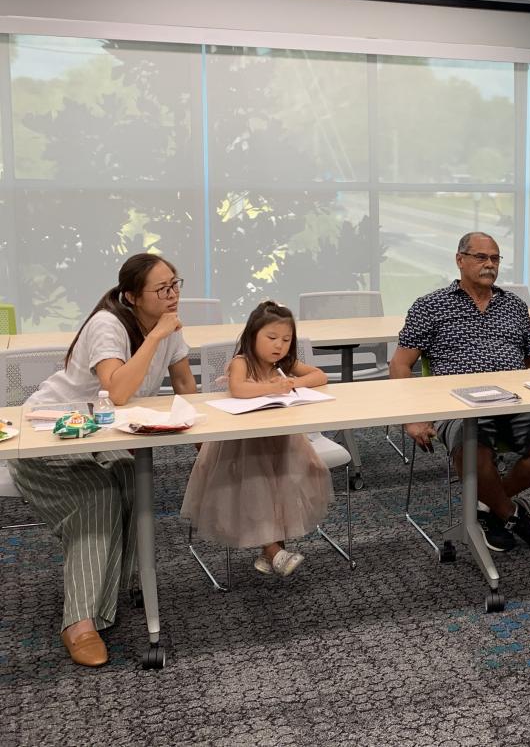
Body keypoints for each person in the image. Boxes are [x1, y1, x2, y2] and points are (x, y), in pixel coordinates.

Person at [8, 253, 196, 667]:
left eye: (175, 284)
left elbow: (185, 386)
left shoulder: (169, 326)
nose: (173, 294)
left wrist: (210, 447)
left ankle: (116, 586)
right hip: (48, 436)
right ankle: (78, 623)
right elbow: (119, 391)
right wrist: (155, 337)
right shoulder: (108, 325)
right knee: (97, 497)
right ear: (131, 296)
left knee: (131, 476)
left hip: (98, 433)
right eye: (162, 288)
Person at [390, 231, 530, 554]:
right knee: (473, 451)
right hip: (458, 406)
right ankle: (513, 515)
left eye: (495, 258)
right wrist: (412, 419)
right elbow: (400, 366)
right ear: (460, 260)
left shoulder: (514, 306)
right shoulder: (430, 307)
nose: (490, 264)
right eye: (481, 257)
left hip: (516, 404)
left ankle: (488, 506)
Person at [180, 301, 332, 577]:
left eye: (286, 340)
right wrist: (271, 387)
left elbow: (320, 376)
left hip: (280, 439)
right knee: (259, 492)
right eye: (272, 338)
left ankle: (269, 551)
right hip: (246, 445)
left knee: (284, 488)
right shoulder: (241, 362)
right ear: (252, 336)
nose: (279, 346)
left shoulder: (284, 364)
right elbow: (238, 389)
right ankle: (274, 551)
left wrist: (292, 383)